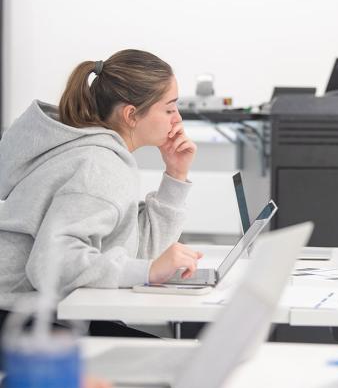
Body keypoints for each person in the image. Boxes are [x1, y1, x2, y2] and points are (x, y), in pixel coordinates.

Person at [0, 49, 203, 336]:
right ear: (131, 115)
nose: (177, 119)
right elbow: (51, 264)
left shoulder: (99, 154)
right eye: (169, 109)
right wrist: (147, 272)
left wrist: (176, 175)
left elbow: (134, 250)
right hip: (20, 323)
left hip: (36, 313)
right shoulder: (100, 164)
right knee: (177, 366)